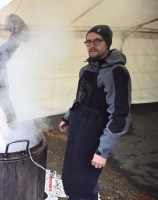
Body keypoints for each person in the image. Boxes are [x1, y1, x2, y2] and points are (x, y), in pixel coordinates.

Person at [59, 25, 132, 200]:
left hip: (93, 139)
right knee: (73, 177)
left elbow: (119, 116)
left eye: (97, 41)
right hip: (78, 134)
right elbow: (80, 100)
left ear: (107, 43)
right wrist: (68, 117)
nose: (92, 45)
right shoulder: (86, 70)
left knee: (83, 183)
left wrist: (102, 151)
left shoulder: (116, 73)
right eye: (89, 42)